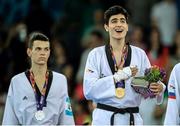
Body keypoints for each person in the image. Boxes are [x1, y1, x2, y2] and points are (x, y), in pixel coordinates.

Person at [83, 5, 166, 125]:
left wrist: (159, 88)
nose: (119, 24)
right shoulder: (95, 55)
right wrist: (119, 76)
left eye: (122, 21)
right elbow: (89, 90)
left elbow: (147, 86)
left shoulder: (140, 54)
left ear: (127, 27)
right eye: (114, 21)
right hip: (104, 119)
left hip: (132, 119)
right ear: (106, 27)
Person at [2, 32, 75, 125]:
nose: (42, 53)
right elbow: (9, 119)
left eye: (46, 49)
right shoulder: (17, 81)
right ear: (29, 52)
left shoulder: (60, 80)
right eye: (38, 49)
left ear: (49, 52)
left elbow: (67, 117)